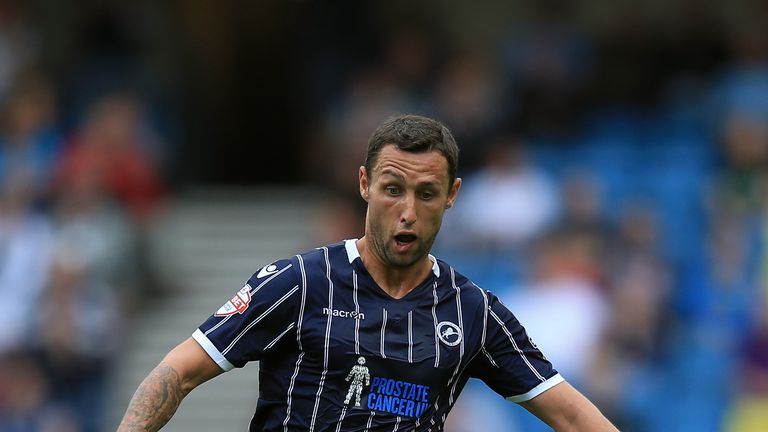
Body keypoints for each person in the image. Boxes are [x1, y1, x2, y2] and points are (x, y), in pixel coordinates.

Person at [117, 114, 618, 431]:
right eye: (392, 189)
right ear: (364, 184)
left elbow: (573, 415)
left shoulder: (473, 314)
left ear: (452, 196)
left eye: (425, 194)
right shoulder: (299, 282)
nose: (406, 211)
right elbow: (177, 372)